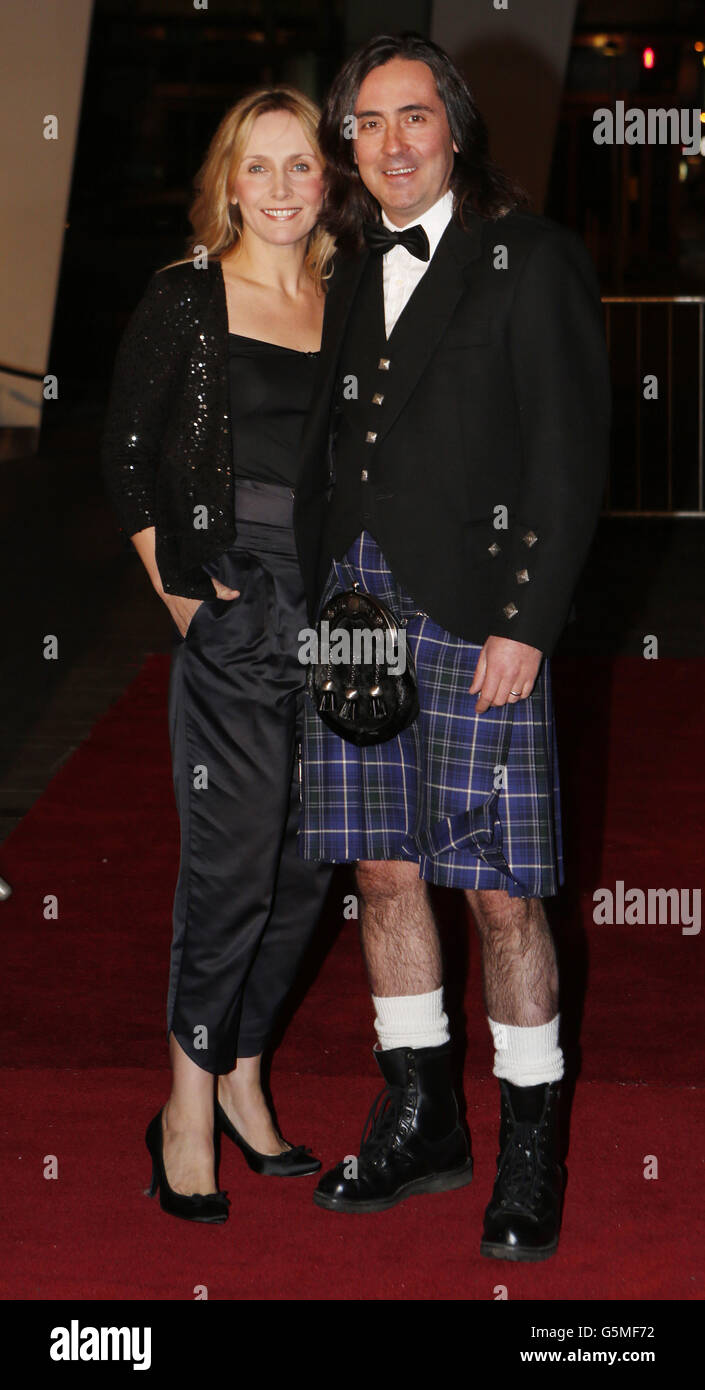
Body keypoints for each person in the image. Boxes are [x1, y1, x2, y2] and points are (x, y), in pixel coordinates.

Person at [293, 33, 611, 1259]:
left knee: (500, 895)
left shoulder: (529, 262)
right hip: (351, 611)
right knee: (379, 871)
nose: (391, 145)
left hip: (479, 618)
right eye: (366, 125)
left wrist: (527, 622)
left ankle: (530, 1139)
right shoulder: (343, 264)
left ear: (457, 129)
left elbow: (569, 456)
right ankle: (423, 1113)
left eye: (411, 118)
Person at [101, 87, 335, 1223]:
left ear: (325, 182)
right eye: (262, 167)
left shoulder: (355, 302)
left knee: (309, 865)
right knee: (234, 865)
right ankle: (187, 1106)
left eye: (303, 167)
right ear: (229, 180)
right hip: (234, 606)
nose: (283, 189)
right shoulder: (187, 299)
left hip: (340, 618)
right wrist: (186, 604)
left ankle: (243, 1069)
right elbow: (127, 458)